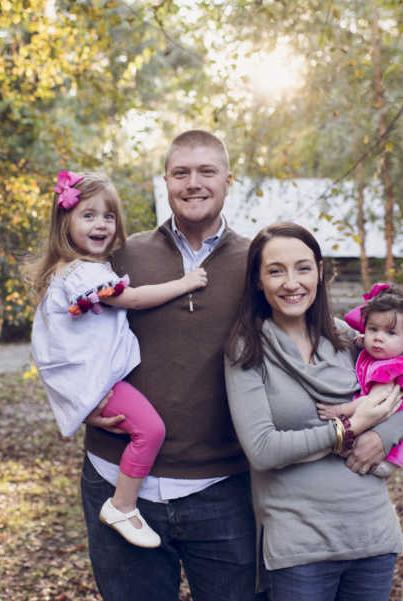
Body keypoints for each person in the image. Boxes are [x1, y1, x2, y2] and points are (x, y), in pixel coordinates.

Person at [79, 130, 259, 600]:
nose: (193, 183)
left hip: (221, 485)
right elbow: (63, 329)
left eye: (206, 172)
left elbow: (308, 334)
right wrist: (81, 401)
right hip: (116, 479)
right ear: (165, 181)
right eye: (181, 173)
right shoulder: (121, 254)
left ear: (228, 180)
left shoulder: (256, 261)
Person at [224, 222, 403, 601]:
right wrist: (347, 430)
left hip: (372, 534)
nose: (291, 283)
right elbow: (263, 450)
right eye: (275, 270)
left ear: (320, 273)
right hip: (299, 545)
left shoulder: (349, 339)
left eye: (303, 268)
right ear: (258, 280)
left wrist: (380, 437)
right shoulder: (247, 349)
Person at [27, 170, 209, 549]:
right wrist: (186, 282)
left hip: (93, 380)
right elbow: (134, 299)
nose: (101, 224)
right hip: (96, 381)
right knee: (151, 431)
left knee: (145, 429)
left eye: (108, 216)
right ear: (65, 222)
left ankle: (123, 503)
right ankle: (123, 504)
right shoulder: (83, 273)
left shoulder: (74, 270)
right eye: (88, 215)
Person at [316, 282, 403, 479]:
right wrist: (365, 340)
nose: (378, 338)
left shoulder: (394, 368)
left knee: (324, 451)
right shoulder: (383, 355)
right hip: (381, 446)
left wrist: (339, 411)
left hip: (382, 455)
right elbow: (356, 323)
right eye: (373, 329)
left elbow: (374, 403)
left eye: (390, 333)